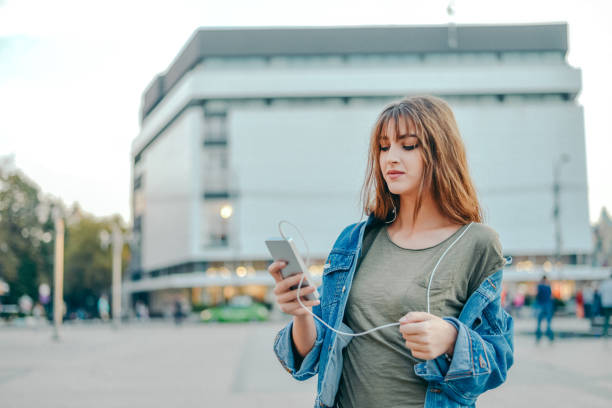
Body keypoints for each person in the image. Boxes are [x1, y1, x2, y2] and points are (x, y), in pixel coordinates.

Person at [270, 96, 513, 408]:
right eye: (384, 147)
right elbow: (313, 355)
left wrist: (451, 339)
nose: (390, 159)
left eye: (408, 146)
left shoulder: (478, 242)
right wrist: (301, 313)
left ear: (441, 151)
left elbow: (498, 360)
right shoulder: (355, 240)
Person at [535, 275, 554, 342]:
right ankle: (549, 334)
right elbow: (551, 296)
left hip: (541, 304)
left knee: (539, 321)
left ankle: (538, 335)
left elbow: (537, 295)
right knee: (548, 321)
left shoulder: (539, 286)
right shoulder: (548, 287)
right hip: (547, 304)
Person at [599, 271, 612, 337]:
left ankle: (605, 332)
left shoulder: (604, 283)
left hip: (605, 303)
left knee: (606, 319)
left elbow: (599, 293)